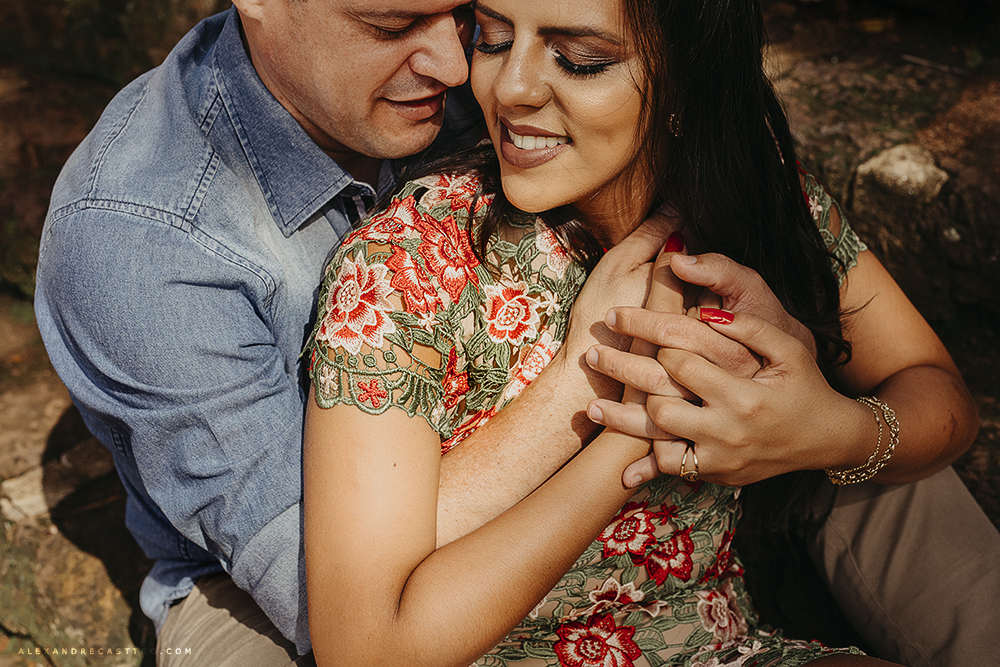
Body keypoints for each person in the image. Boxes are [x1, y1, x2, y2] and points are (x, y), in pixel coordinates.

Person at [30, 0, 996, 665]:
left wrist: (820, 425)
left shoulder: (499, 75)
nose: (465, 75)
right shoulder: (142, 238)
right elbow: (347, 604)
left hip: (615, 508)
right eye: (394, 23)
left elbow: (922, 388)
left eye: (465, 17)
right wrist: (604, 384)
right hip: (272, 584)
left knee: (862, 431)